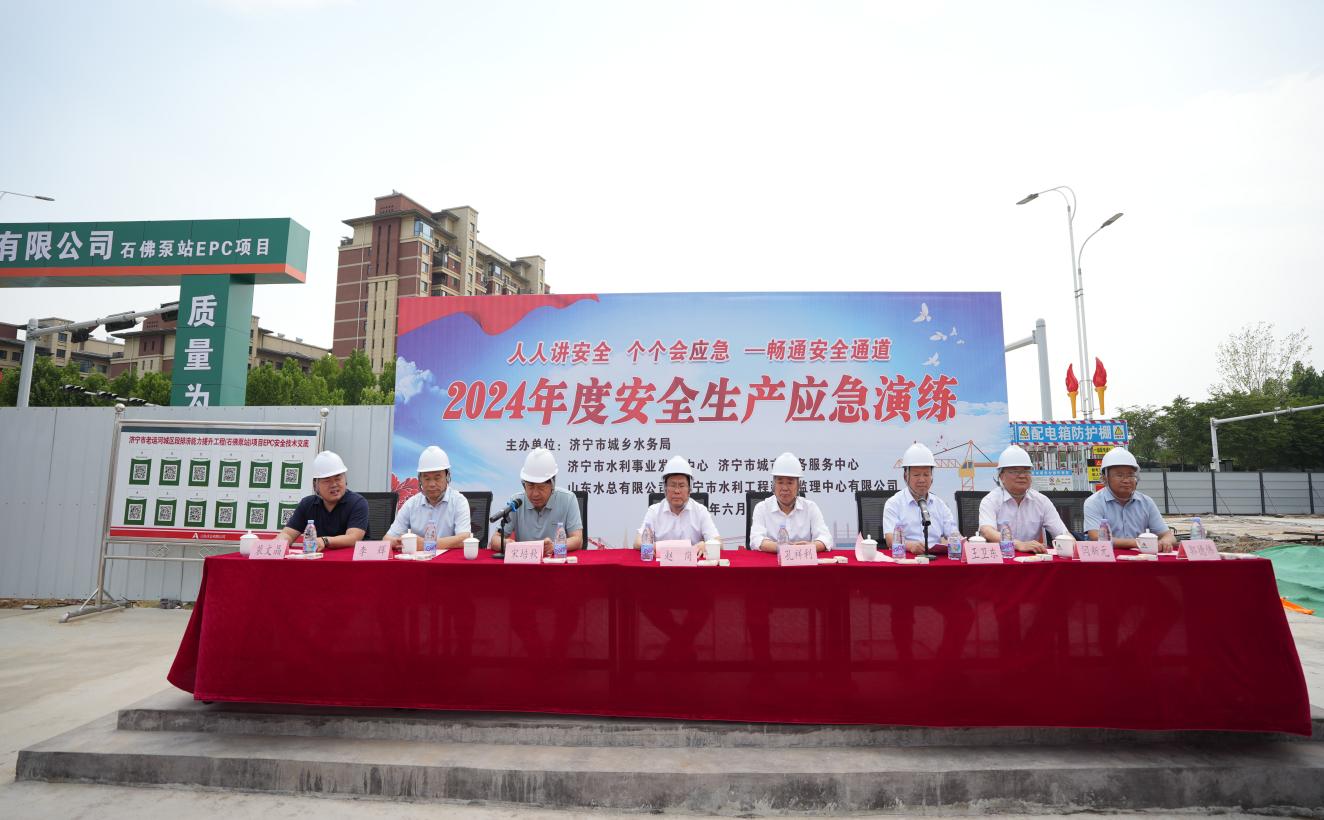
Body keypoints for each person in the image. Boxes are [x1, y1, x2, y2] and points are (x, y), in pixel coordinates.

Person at [490, 447, 583, 556]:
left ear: (552, 484)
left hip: (555, 562)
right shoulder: (516, 502)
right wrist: (506, 544)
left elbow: (577, 540)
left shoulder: (568, 499)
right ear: (524, 485)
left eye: (541, 487)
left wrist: (555, 546)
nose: (535, 493)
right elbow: (495, 539)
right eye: (530, 486)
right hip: (524, 563)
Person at [977, 444, 1067, 553]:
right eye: (1015, 471)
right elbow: (987, 531)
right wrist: (1018, 544)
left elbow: (1062, 533)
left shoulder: (1042, 501)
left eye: (1026, 471)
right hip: (1002, 558)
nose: (1022, 476)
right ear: (1001, 477)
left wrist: (1071, 543)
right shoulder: (991, 500)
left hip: (1032, 559)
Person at [1084, 447, 1177, 551]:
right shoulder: (1094, 502)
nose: (1126, 480)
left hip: (1141, 557)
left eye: (1130, 475)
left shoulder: (1146, 502)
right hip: (1108, 557)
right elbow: (1096, 537)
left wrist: (1165, 541)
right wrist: (1141, 543)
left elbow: (1168, 535)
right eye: (1119, 475)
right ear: (1105, 477)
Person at [276, 450, 368, 551]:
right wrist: (278, 544)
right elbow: (288, 534)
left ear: (345, 479)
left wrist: (325, 541)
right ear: (315, 485)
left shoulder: (357, 503)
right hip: (318, 558)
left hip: (350, 559)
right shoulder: (307, 504)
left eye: (338, 479)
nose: (334, 485)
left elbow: (353, 538)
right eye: (327, 481)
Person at [384, 445, 472, 550]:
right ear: (420, 479)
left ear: (447, 477)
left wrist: (426, 545)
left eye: (437, 478)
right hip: (419, 559)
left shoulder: (459, 501)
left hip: (448, 559)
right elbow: (387, 539)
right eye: (426, 478)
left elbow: (464, 539)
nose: (432, 484)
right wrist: (398, 541)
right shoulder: (411, 504)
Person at [882, 442, 959, 554]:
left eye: (926, 475)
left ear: (932, 477)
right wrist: (910, 546)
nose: (922, 480)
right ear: (906, 476)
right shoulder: (894, 503)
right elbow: (890, 539)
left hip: (935, 558)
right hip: (906, 558)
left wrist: (957, 541)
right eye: (916, 475)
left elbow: (954, 534)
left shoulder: (940, 505)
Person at [634, 456, 720, 555]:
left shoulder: (700, 511)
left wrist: (706, 545)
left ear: (689, 490)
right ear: (665, 490)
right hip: (661, 563)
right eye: (673, 485)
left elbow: (718, 542)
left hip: (692, 563)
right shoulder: (654, 510)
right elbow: (637, 542)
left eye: (682, 486)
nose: (677, 491)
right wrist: (652, 547)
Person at [748, 452, 831, 552]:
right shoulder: (762, 508)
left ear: (798, 485)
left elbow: (826, 538)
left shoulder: (810, 508)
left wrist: (809, 547)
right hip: (773, 559)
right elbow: (756, 540)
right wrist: (781, 548)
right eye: (780, 482)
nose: (785, 488)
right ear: (773, 485)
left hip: (803, 559)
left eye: (790, 482)